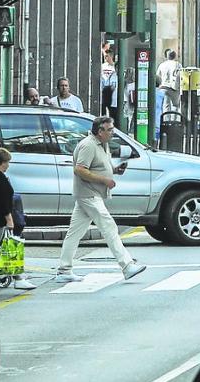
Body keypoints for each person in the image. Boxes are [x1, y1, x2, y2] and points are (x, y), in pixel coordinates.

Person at [54, 116, 145, 282]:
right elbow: (80, 170)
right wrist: (105, 180)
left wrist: (115, 170)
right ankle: (126, 265)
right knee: (109, 227)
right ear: (100, 131)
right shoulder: (88, 145)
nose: (112, 132)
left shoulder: (103, 144)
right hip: (89, 194)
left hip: (90, 194)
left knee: (74, 233)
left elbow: (99, 167)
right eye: (109, 129)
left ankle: (64, 270)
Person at [154, 49, 182, 147]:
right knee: (175, 106)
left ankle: (165, 121)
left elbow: (157, 75)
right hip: (174, 88)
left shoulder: (162, 65)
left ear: (167, 56)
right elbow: (180, 76)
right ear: (174, 56)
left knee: (165, 106)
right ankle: (174, 122)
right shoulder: (178, 65)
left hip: (163, 87)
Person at [101, 45, 118, 119]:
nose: (105, 58)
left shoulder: (115, 67)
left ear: (111, 56)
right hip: (105, 89)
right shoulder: (103, 66)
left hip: (113, 91)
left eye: (107, 56)